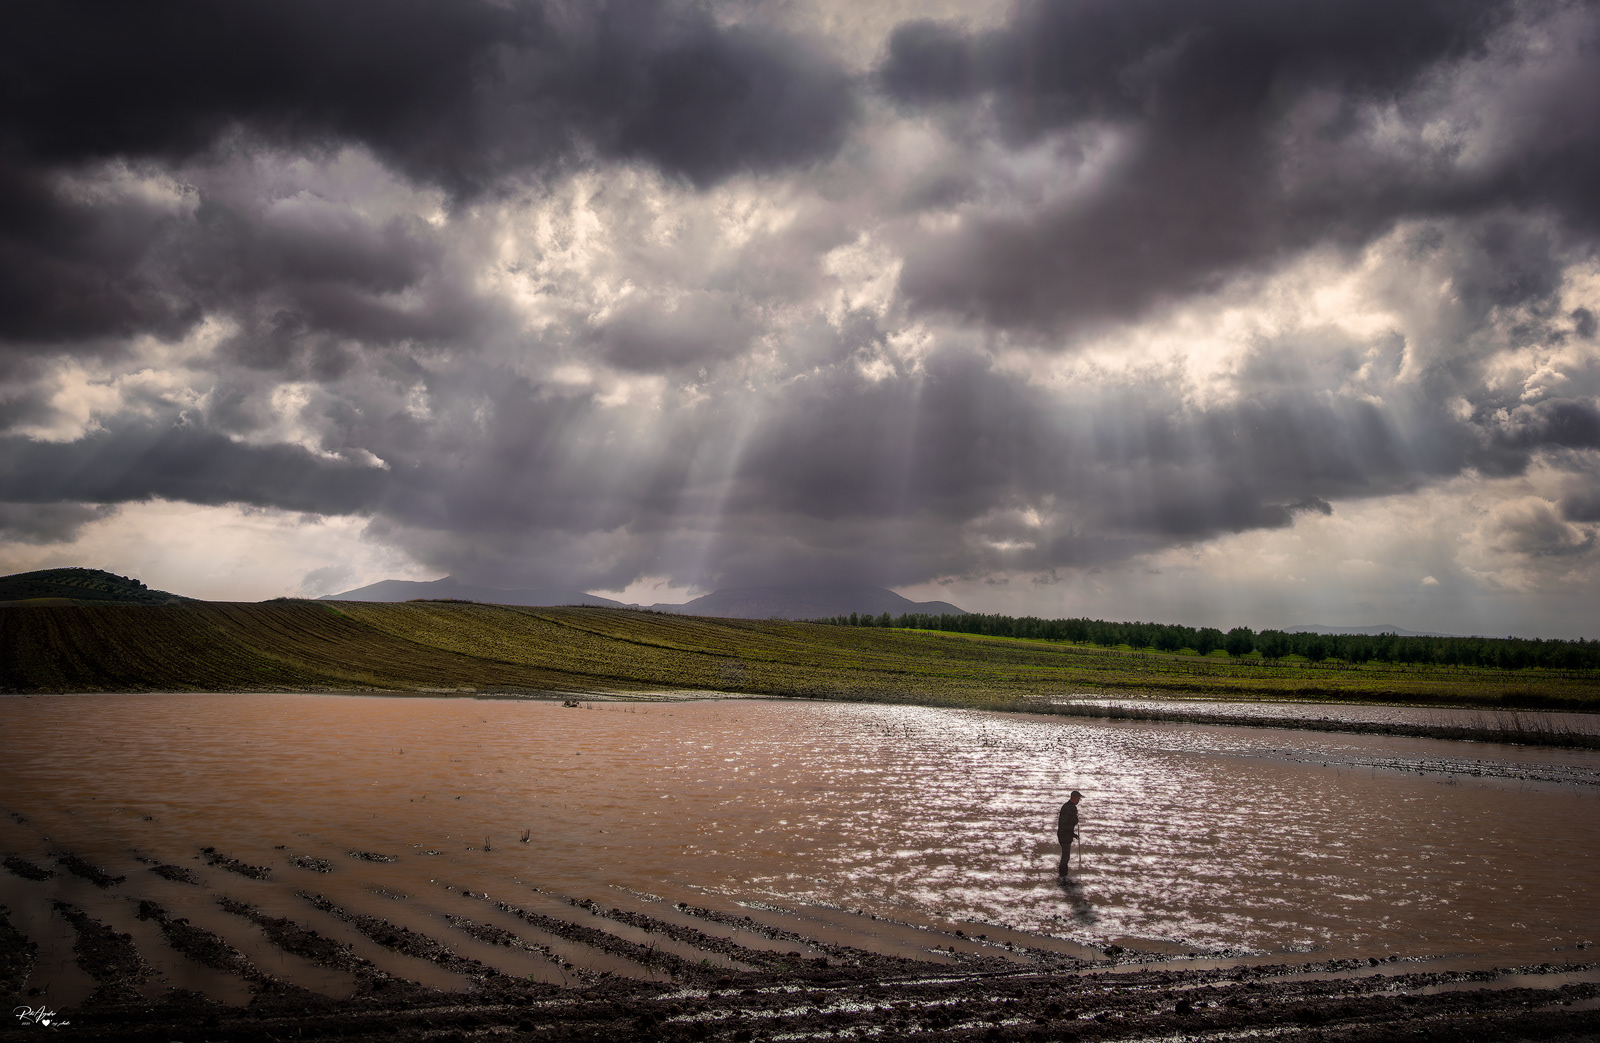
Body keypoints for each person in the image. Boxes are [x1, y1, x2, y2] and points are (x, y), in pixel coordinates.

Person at [1057, 790, 1083, 876]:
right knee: (1065, 856)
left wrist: (1073, 834)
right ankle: (1062, 875)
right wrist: (1075, 820)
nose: (1079, 801)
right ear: (1074, 798)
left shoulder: (1067, 806)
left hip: (1064, 834)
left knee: (1066, 856)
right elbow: (1067, 823)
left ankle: (1063, 874)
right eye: (1078, 799)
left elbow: (1067, 823)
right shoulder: (1070, 807)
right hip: (1064, 835)